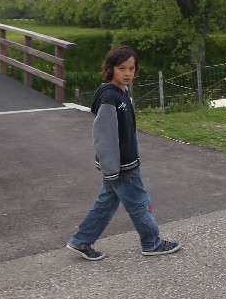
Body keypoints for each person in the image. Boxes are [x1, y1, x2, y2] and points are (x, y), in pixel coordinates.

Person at [66, 45, 181, 261]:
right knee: (139, 202)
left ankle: (80, 241)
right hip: (120, 166)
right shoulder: (110, 98)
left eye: (131, 68)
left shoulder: (122, 93)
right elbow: (104, 137)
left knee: (106, 203)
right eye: (122, 68)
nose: (128, 73)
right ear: (111, 68)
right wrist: (111, 169)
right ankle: (152, 243)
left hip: (121, 163)